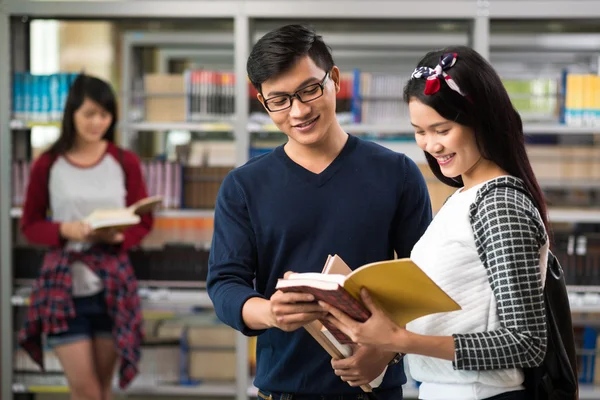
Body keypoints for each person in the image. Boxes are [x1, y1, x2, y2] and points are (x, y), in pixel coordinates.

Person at [207, 24, 432, 399]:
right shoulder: (243, 187)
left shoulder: (397, 173)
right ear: (263, 103)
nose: (298, 111)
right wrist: (269, 312)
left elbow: (424, 282)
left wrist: (385, 351)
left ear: (335, 81)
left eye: (309, 89)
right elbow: (224, 285)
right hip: (284, 389)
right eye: (279, 100)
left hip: (374, 389)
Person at [319, 46, 550, 400]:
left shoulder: (500, 205)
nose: (431, 145)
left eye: (442, 129)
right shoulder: (464, 196)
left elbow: (526, 343)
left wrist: (399, 340)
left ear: (481, 120)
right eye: (420, 131)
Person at [18, 74, 152, 400]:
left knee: (103, 391)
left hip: (112, 285)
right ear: (72, 113)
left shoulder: (124, 161)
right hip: (63, 287)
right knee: (86, 391)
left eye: (104, 115)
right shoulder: (48, 164)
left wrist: (121, 237)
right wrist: (65, 229)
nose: (97, 123)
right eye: (89, 114)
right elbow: (30, 224)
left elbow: (144, 220)